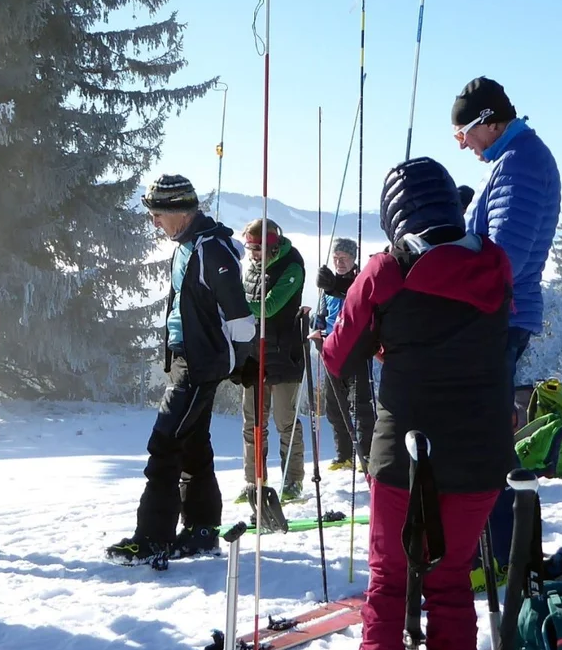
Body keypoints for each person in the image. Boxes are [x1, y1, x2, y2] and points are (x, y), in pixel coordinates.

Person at [324, 156, 513, 650]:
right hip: (481, 455)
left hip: (405, 452)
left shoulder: (386, 269)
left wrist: (379, 336)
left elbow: (337, 355)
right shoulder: (493, 262)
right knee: (450, 577)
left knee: (392, 580)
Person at [107, 173, 256, 567]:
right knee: (192, 446)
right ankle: (202, 530)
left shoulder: (212, 250)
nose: (154, 222)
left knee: (165, 444)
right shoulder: (189, 245)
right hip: (186, 361)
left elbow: (240, 318)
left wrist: (241, 362)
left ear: (180, 211)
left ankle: (152, 538)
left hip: (199, 366)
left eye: (158, 214)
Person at [455, 76, 560, 578]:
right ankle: (508, 553)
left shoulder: (521, 164)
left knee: (486, 440)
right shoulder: (514, 160)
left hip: (500, 316)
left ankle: (504, 557)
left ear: (490, 122)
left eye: (465, 134)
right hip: (499, 315)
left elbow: (505, 258)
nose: (464, 145)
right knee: (490, 435)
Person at [236, 217, 308, 505]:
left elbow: (270, 306)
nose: (253, 255)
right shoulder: (251, 268)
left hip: (285, 352)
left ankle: (292, 481)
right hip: (255, 353)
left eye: (258, 250)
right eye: (250, 249)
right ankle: (253, 481)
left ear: (273, 247)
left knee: (284, 420)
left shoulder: (292, 266)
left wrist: (231, 305)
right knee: (252, 421)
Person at [310, 237, 373, 472]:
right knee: (334, 407)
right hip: (330, 349)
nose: (339, 262)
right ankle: (344, 455)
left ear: (353, 258)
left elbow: (358, 300)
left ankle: (365, 455)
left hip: (356, 350)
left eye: (344, 258)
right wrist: (313, 322)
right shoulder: (328, 284)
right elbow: (322, 314)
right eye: (336, 258)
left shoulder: (360, 280)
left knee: (360, 407)